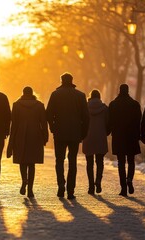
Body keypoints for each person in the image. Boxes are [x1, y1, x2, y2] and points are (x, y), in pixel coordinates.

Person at [46, 72, 89, 200]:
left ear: (61, 81)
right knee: (72, 161)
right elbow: (86, 117)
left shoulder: (55, 95)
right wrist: (83, 133)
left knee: (59, 160)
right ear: (71, 81)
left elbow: (48, 114)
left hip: (59, 133)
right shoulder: (80, 96)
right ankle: (71, 190)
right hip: (75, 133)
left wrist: (53, 127)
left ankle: (60, 184)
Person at [7, 87, 48, 198]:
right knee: (32, 163)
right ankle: (30, 189)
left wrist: (11, 142)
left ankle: (24, 180)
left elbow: (14, 124)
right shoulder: (39, 105)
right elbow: (44, 123)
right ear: (32, 93)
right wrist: (45, 137)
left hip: (20, 134)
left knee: (22, 161)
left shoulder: (16, 105)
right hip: (35, 135)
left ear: (23, 93)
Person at [109, 84, 141, 197]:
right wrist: (140, 135)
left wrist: (108, 132)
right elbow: (139, 121)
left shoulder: (113, 104)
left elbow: (109, 121)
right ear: (128, 91)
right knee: (131, 161)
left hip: (118, 137)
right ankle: (129, 180)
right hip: (131, 137)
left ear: (119, 91)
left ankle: (123, 188)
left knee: (121, 162)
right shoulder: (134, 104)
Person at [82, 89, 109, 195]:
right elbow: (108, 123)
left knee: (89, 163)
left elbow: (82, 121)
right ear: (99, 97)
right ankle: (98, 181)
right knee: (100, 161)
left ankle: (90, 186)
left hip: (88, 137)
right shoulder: (105, 108)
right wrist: (105, 133)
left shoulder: (85, 108)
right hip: (100, 137)